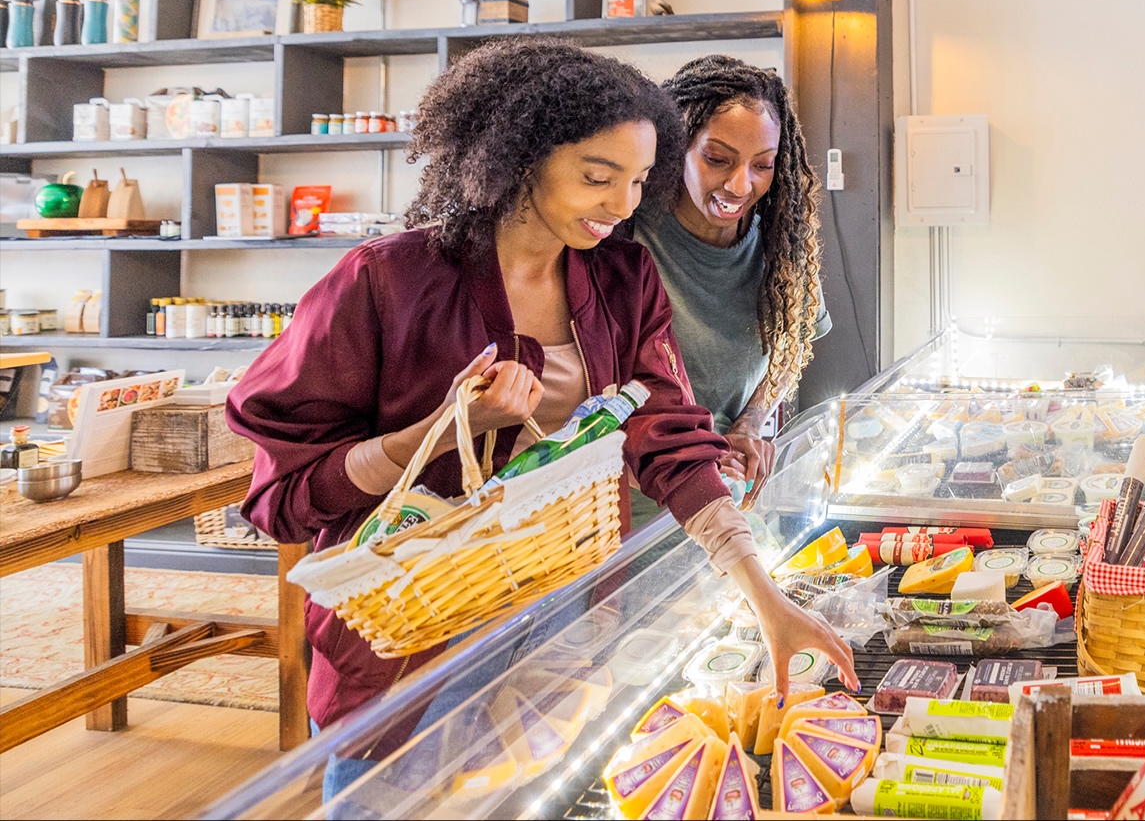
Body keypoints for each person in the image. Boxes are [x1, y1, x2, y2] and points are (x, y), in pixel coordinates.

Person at [227, 38, 854, 752]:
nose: (623, 205)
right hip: (412, 648)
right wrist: (442, 429)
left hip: (566, 625)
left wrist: (765, 598)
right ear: (522, 155)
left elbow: (669, 439)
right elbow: (284, 498)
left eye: (639, 181)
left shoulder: (624, 279)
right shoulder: (386, 280)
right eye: (598, 177)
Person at [633, 54, 829, 496]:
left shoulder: (782, 247)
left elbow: (793, 343)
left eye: (762, 165)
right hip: (635, 502)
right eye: (717, 159)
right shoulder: (627, 233)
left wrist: (750, 422)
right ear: (676, 146)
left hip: (728, 491)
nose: (740, 185)